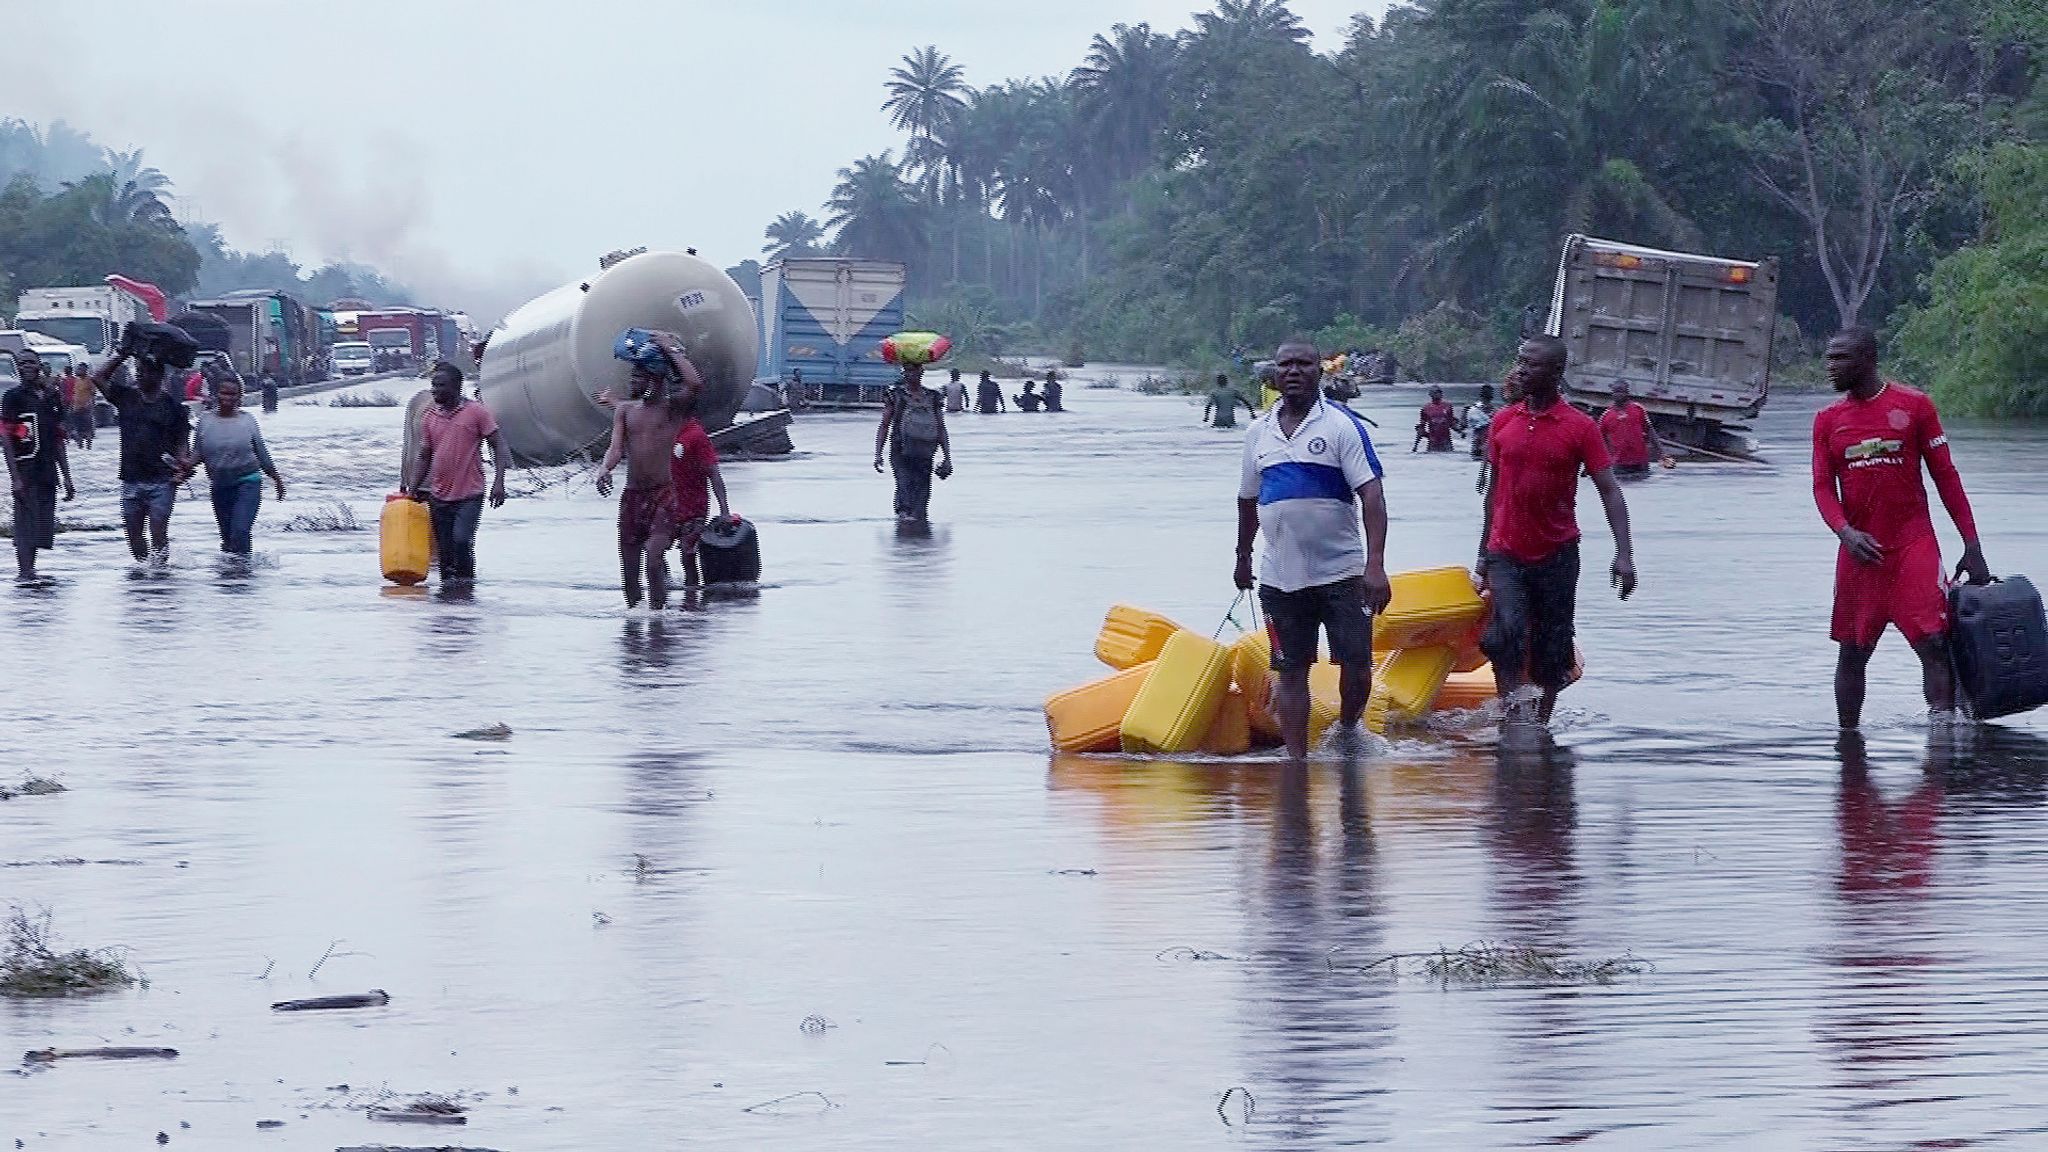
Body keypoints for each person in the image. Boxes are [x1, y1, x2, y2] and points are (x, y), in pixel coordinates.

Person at [1812, 326, 1989, 729]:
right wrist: (1845, 532)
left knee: (1933, 646)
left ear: (1868, 360)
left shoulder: (1915, 406)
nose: (1830, 366)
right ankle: (1848, 746)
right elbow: (1822, 487)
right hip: (1860, 553)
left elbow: (1946, 477)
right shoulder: (1827, 420)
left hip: (1913, 546)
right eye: (1829, 357)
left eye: (1840, 358)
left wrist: (1972, 544)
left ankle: (1941, 744)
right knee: (1852, 653)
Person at [1234, 339, 1391, 761]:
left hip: (1343, 573)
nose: (1294, 372)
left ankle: (1348, 730)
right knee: (1289, 669)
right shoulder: (1257, 433)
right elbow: (1248, 501)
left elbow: (1372, 497)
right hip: (1279, 576)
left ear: (1319, 372)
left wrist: (1374, 566)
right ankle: (1296, 760)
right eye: (1285, 365)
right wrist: (1243, 557)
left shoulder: (1341, 427)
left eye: (1304, 364)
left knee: (1356, 663)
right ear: (1274, 373)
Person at [1477, 335, 1637, 725]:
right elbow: (1493, 493)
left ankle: (1541, 722)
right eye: (1520, 361)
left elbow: (1610, 491)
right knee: (1506, 632)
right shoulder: (1502, 421)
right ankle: (1512, 715)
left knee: (1553, 642)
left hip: (1557, 553)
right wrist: (1482, 553)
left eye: (1531, 364)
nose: (1521, 370)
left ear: (1556, 372)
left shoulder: (1580, 427)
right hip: (1506, 551)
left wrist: (1624, 553)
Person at [595, 330, 703, 609]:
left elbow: (694, 383)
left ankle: (658, 618)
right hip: (632, 497)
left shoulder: (671, 409)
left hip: (662, 496)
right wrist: (604, 468)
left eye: (639, 377)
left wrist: (671, 350)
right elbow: (616, 448)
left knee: (654, 559)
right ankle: (634, 619)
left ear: (655, 380)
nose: (632, 382)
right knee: (629, 570)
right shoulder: (626, 411)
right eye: (632, 376)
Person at [94, 329, 194, 564]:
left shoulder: (173, 408)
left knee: (158, 530)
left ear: (158, 377)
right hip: (131, 478)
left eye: (145, 372)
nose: (139, 376)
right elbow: (98, 378)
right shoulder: (127, 398)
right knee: (134, 534)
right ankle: (143, 573)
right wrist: (123, 354)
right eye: (138, 371)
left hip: (162, 480)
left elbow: (181, 441)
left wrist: (182, 465)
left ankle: (159, 573)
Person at [408, 362, 507, 584]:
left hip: (470, 494)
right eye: (433, 386)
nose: (435, 391)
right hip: (439, 495)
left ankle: (467, 590)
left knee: (462, 541)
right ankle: (451, 604)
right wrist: (412, 489)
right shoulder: (430, 417)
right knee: (445, 552)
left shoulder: (476, 413)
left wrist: (499, 482)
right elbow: (424, 455)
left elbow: (499, 445)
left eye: (441, 386)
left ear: (456, 387)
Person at [192, 376, 285, 556]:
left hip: (248, 482)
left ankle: (244, 573)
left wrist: (276, 478)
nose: (227, 398)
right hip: (219, 485)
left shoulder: (248, 420)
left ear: (239, 397)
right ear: (215, 394)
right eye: (223, 393)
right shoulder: (204, 421)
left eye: (233, 394)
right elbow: (198, 452)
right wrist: (183, 467)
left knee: (240, 530)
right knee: (227, 537)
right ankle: (232, 575)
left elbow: (261, 451)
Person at [3, 352, 75, 582]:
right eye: (22, 363)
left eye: (30, 363)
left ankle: (31, 571)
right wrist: (15, 476)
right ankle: (24, 572)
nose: (26, 366)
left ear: (39, 367)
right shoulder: (13, 398)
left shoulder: (51, 398)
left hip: (47, 470)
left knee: (42, 523)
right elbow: (6, 437)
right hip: (26, 469)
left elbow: (57, 437)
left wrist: (67, 476)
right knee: (25, 523)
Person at [872, 361, 953, 523]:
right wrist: (878, 453)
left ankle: (912, 527)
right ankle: (909, 526)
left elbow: (940, 427)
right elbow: (884, 424)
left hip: (925, 449)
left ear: (921, 372)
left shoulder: (932, 397)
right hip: (901, 449)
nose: (911, 374)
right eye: (908, 371)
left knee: (921, 490)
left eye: (913, 371)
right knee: (905, 484)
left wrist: (947, 457)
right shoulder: (896, 396)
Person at [670, 390, 735, 588]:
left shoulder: (697, 437)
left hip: (693, 509)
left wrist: (725, 511)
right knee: (652, 549)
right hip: (667, 506)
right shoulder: (665, 433)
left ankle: (692, 602)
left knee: (688, 555)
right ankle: (662, 592)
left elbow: (714, 475)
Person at [1598, 380, 1674, 475]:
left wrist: (1662, 453)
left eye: (1621, 391)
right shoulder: (1606, 415)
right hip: (1619, 464)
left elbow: (1650, 432)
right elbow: (1600, 440)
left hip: (1640, 462)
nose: (1618, 394)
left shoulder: (1638, 409)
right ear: (1612, 394)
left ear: (1627, 393)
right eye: (1615, 392)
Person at [1413, 385, 1456, 452]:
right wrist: (1415, 446)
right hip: (1433, 441)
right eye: (1436, 392)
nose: (1438, 394)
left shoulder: (1448, 406)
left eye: (1440, 392)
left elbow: (1451, 423)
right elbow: (1421, 428)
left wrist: (1460, 431)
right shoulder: (1426, 408)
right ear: (1430, 394)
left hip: (1446, 440)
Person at [1463, 383, 1497, 462]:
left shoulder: (1472, 409)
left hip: (1477, 445)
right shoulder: (1496, 412)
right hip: (1487, 446)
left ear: (1480, 395)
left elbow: (1464, 425)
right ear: (1492, 397)